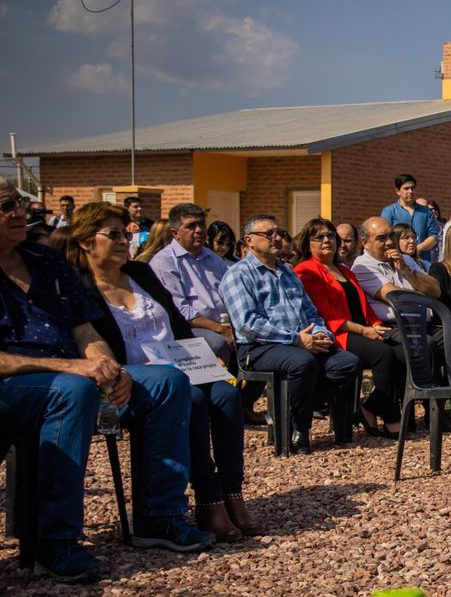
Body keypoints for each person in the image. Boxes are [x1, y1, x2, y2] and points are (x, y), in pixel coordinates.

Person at [0, 181, 213, 581]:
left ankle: (158, 517)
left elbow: (83, 328)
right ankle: (55, 540)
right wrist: (71, 370)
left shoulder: (43, 260)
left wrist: (107, 366)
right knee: (73, 390)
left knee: (168, 381)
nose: (19, 212)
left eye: (20, 203)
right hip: (20, 382)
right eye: (6, 205)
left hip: (73, 373)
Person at [71, 202, 254, 542]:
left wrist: (204, 357)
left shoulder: (140, 273)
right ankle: (208, 499)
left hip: (179, 363)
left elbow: (176, 323)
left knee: (227, 393)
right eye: (113, 234)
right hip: (135, 378)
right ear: (85, 241)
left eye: (126, 233)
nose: (124, 240)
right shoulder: (80, 287)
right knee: (195, 399)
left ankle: (232, 493)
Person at [220, 214, 361, 453]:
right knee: (303, 363)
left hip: (301, 340)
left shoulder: (287, 272)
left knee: (347, 362)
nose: (276, 238)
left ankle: (291, 411)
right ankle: (299, 428)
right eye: (269, 234)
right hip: (259, 346)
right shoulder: (239, 274)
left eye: (279, 233)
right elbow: (247, 324)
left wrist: (319, 334)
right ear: (249, 240)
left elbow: (311, 313)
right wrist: (296, 339)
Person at [294, 217, 405, 439]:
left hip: (363, 328)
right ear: (308, 243)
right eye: (320, 237)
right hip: (338, 333)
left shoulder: (345, 271)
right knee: (383, 354)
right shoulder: (306, 271)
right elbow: (326, 315)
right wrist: (364, 331)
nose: (328, 240)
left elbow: (363, 306)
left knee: (405, 350)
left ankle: (370, 407)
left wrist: (374, 324)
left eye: (331, 236)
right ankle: (391, 415)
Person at [150, 203, 236, 367]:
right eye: (191, 226)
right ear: (175, 233)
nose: (199, 230)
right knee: (218, 343)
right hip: (190, 329)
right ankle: (221, 385)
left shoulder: (213, 258)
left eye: (201, 224)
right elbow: (182, 311)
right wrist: (220, 329)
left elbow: (232, 294)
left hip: (223, 324)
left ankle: (243, 390)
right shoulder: (164, 262)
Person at [352, 216, 442, 324]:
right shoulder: (362, 266)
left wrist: (407, 271)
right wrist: (426, 298)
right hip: (394, 327)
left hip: (424, 323)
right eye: (381, 238)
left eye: (391, 235)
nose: (390, 242)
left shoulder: (406, 260)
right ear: (365, 243)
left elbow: (436, 290)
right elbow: (397, 297)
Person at [381, 173, 442, 267]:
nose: (410, 191)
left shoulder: (426, 212)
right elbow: (385, 237)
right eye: (406, 188)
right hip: (398, 263)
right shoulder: (389, 212)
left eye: (412, 188)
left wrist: (418, 248)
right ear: (397, 191)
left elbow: (434, 237)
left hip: (423, 263)